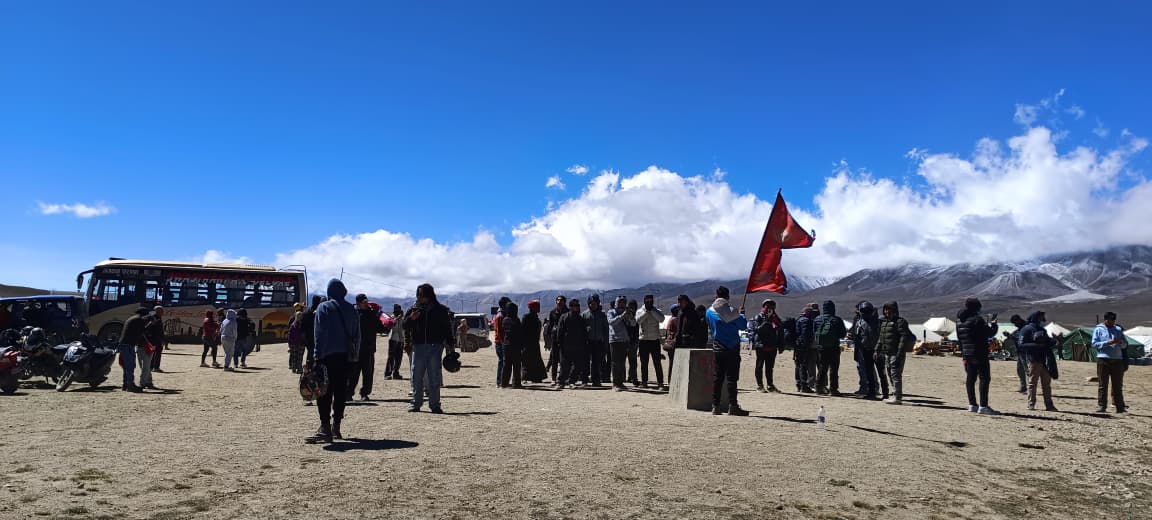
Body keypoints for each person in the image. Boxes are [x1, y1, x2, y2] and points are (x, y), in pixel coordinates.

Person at [306, 279, 359, 443]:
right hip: (346, 357)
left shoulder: (324, 307)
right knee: (340, 392)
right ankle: (336, 426)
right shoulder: (352, 309)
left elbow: (320, 334)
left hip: (327, 356)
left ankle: (325, 427)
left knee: (323, 392)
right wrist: (354, 357)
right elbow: (357, 336)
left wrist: (316, 356)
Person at [402, 283, 455, 413]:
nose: (419, 297)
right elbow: (404, 326)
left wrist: (450, 345)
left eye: (421, 295)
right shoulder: (413, 309)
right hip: (418, 347)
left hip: (435, 347)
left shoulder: (440, 310)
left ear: (429, 295)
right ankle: (416, 403)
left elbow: (447, 329)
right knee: (416, 376)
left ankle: (435, 405)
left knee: (434, 377)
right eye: (418, 295)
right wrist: (411, 319)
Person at [704, 286, 749, 416]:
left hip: (718, 346)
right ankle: (733, 405)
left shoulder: (709, 312)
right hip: (732, 347)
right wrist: (742, 314)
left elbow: (710, 327)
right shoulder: (733, 312)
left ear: (716, 296)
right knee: (731, 378)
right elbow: (743, 326)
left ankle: (715, 406)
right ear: (728, 296)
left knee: (718, 377)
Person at [955, 298, 1000, 414]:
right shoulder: (977, 320)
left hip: (967, 353)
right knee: (984, 378)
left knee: (970, 378)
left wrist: (963, 353)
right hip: (979, 352)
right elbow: (989, 333)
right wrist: (994, 325)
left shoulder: (959, 321)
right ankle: (983, 406)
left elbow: (960, 339)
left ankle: (972, 404)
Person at [1018, 310, 1057, 412]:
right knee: (1032, 383)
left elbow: (1047, 342)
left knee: (1046, 384)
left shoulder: (1041, 330)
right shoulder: (1026, 329)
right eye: (1040, 317)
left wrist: (1054, 341)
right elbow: (1021, 345)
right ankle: (1031, 404)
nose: (1042, 319)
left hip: (1044, 360)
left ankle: (1049, 405)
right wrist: (1037, 345)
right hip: (1033, 360)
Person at [349, 294, 385, 401]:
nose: (366, 304)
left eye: (366, 301)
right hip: (355, 349)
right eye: (363, 302)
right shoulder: (353, 314)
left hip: (369, 348)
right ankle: (348, 393)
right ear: (358, 303)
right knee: (353, 373)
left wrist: (388, 326)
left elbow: (380, 328)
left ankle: (365, 393)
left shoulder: (372, 314)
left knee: (368, 373)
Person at [876, 301, 912, 405]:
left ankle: (897, 397)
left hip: (896, 353)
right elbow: (881, 338)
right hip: (887, 352)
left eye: (889, 309)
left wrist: (899, 352)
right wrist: (877, 350)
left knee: (895, 374)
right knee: (890, 374)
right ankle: (895, 394)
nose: (886, 311)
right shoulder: (884, 323)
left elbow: (903, 338)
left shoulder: (900, 322)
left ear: (894, 310)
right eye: (885, 309)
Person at [1092, 311, 1127, 414]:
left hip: (1117, 360)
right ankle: (1102, 406)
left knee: (1117, 385)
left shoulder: (1118, 330)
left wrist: (1120, 342)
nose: (1112, 322)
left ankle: (1120, 407)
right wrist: (1107, 342)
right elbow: (1094, 344)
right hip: (1103, 359)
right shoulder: (1098, 329)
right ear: (1105, 320)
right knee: (1103, 384)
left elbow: (1125, 345)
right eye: (1110, 320)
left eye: (1113, 320)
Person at [848, 301, 882, 400]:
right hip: (860, 347)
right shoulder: (858, 320)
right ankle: (864, 387)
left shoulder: (874, 321)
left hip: (870, 348)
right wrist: (851, 335)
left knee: (869, 369)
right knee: (862, 368)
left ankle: (873, 388)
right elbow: (854, 331)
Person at [747, 299, 782, 393]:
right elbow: (757, 330)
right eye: (768, 306)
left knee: (769, 367)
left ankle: (770, 385)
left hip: (772, 346)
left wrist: (780, 344)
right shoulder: (758, 317)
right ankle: (760, 385)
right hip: (761, 345)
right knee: (759, 366)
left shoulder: (775, 318)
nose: (770, 308)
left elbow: (779, 330)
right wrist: (766, 321)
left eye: (772, 306)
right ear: (764, 306)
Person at [813, 300, 847, 396]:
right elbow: (842, 334)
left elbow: (815, 332)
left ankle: (819, 387)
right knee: (834, 369)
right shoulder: (837, 320)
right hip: (834, 347)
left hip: (821, 348)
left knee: (822, 367)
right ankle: (833, 389)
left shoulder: (817, 319)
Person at [668, 295, 703, 381]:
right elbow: (679, 328)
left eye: (681, 302)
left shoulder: (693, 313)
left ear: (686, 302)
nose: (679, 304)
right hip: (679, 342)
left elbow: (697, 330)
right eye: (678, 302)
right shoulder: (680, 312)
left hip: (690, 343)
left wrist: (691, 339)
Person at [556, 298, 588, 389]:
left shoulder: (580, 319)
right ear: (570, 307)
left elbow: (584, 332)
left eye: (577, 306)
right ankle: (561, 382)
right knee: (564, 365)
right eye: (574, 306)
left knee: (577, 365)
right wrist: (559, 343)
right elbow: (560, 330)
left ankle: (572, 381)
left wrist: (584, 343)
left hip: (578, 345)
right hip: (566, 345)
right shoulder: (564, 317)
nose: (576, 307)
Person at [635, 294, 665, 389]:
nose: (649, 303)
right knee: (644, 363)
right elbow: (638, 321)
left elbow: (661, 319)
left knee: (657, 363)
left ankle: (660, 383)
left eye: (650, 301)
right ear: (644, 301)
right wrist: (646, 312)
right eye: (647, 301)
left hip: (654, 340)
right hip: (643, 340)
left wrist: (652, 311)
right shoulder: (639, 311)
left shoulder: (657, 311)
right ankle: (644, 382)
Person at [607, 296, 636, 392]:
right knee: (615, 363)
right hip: (614, 340)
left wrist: (630, 316)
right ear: (616, 303)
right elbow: (611, 322)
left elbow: (633, 324)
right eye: (620, 302)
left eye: (623, 302)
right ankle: (615, 383)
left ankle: (620, 382)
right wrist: (622, 316)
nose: (622, 304)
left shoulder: (627, 312)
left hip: (625, 340)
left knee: (622, 362)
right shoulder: (611, 312)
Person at [117, 307, 150, 392]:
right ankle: (130, 385)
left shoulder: (132, 318)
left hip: (124, 344)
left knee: (126, 366)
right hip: (128, 345)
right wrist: (150, 323)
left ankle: (126, 384)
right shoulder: (138, 319)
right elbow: (142, 331)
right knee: (130, 366)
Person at [582, 295, 609, 388]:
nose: (593, 305)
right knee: (585, 362)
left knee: (596, 363)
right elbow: (581, 329)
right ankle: (584, 380)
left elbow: (606, 330)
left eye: (595, 303)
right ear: (588, 304)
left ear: (598, 304)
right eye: (591, 303)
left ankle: (596, 380)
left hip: (598, 342)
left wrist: (606, 343)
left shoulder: (602, 315)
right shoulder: (584, 314)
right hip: (587, 342)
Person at [793, 304, 819, 393]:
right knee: (803, 365)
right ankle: (804, 386)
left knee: (798, 365)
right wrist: (807, 345)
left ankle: (799, 384)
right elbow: (805, 334)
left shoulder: (799, 319)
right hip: (803, 346)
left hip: (798, 345)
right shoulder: (806, 321)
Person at [521, 300, 547, 383]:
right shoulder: (537, 319)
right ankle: (537, 377)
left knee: (526, 360)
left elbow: (523, 330)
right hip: (534, 342)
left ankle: (526, 377)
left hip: (527, 342)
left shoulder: (526, 317)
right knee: (536, 360)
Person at [499, 302, 523, 388]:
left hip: (506, 345)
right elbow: (519, 332)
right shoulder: (516, 320)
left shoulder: (505, 320)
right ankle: (516, 383)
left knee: (506, 365)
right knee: (516, 365)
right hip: (515, 345)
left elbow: (502, 332)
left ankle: (504, 383)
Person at [544, 296, 568, 384]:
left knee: (564, 359)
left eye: (561, 301)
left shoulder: (567, 312)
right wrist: (548, 339)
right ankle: (554, 378)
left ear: (564, 302)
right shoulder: (552, 312)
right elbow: (550, 326)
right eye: (558, 300)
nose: (559, 302)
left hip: (565, 338)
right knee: (554, 359)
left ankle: (563, 377)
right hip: (555, 338)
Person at [1005, 314, 1028, 394]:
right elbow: (1015, 336)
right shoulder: (1019, 329)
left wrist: (1012, 337)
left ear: (1018, 320)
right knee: (1020, 370)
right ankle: (1023, 386)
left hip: (1026, 352)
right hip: (1020, 352)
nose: (1015, 325)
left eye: (1015, 323)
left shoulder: (1026, 328)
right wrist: (1009, 336)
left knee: (1027, 370)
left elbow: (1022, 339)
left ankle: (1030, 388)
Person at [492, 297, 511, 387]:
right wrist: (504, 342)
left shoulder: (503, 314)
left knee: (504, 362)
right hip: (500, 343)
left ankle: (503, 380)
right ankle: (499, 381)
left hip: (502, 342)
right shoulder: (500, 316)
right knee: (502, 362)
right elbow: (499, 332)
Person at [145, 306, 167, 378]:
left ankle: (152, 367)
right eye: (162, 311)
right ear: (158, 311)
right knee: (157, 353)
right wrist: (161, 339)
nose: (163, 312)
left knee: (154, 353)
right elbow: (158, 330)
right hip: (155, 339)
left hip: (154, 338)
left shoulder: (154, 317)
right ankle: (156, 367)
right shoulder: (155, 318)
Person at [385, 304, 405, 380]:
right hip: (393, 339)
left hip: (400, 339)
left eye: (399, 309)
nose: (398, 311)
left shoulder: (402, 318)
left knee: (399, 357)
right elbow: (391, 324)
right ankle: (388, 374)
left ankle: (396, 373)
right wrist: (398, 317)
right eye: (397, 309)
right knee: (391, 357)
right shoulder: (392, 317)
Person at [625, 299, 641, 386]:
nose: (632, 308)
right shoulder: (625, 315)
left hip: (634, 341)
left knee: (633, 361)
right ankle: (628, 377)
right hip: (625, 340)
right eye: (631, 306)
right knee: (623, 361)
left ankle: (633, 378)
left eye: (634, 306)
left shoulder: (637, 315)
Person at [302, 296, 321, 367]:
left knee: (310, 352)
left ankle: (309, 367)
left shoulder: (305, 313)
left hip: (307, 337)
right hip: (316, 337)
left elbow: (302, 327)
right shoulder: (319, 312)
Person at [288, 302, 305, 373]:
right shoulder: (303, 324)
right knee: (300, 357)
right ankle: (299, 368)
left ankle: (293, 368)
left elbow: (289, 335)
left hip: (293, 343)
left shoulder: (292, 324)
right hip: (301, 343)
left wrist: (289, 344)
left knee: (294, 356)